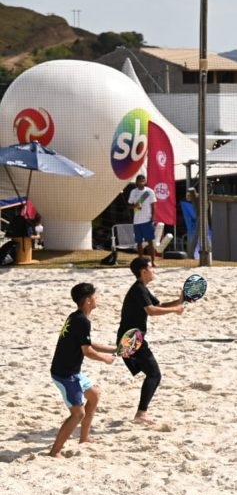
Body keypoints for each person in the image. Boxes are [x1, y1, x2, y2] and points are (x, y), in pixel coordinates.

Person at [49, 283, 117, 458]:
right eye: (95, 296)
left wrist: (111, 349)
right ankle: (55, 451)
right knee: (78, 413)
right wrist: (106, 359)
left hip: (72, 371)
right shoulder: (82, 321)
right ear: (88, 300)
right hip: (65, 374)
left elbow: (86, 343)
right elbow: (87, 351)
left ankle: (84, 438)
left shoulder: (76, 317)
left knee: (94, 395)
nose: (97, 298)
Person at [118, 256, 184, 425]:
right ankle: (141, 414)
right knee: (154, 374)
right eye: (151, 267)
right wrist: (175, 309)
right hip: (131, 338)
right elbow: (152, 311)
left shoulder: (142, 289)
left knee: (151, 374)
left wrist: (181, 300)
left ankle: (141, 413)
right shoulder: (138, 289)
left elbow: (159, 305)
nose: (154, 269)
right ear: (143, 271)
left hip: (129, 337)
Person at [128, 174, 157, 266]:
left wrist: (152, 217)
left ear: (145, 181)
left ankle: (153, 261)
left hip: (147, 220)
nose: (141, 181)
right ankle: (141, 262)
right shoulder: (133, 192)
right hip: (137, 221)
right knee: (139, 243)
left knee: (150, 242)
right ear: (136, 182)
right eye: (139, 180)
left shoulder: (149, 191)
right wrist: (135, 206)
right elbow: (129, 205)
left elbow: (153, 205)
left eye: (143, 179)